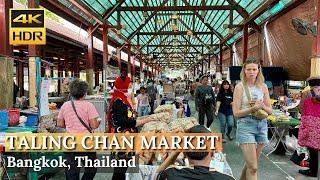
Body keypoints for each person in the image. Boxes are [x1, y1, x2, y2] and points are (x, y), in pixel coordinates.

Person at [107, 73, 157, 180]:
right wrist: (140, 122)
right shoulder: (118, 102)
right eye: (129, 84)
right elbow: (122, 121)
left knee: (123, 165)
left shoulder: (120, 98)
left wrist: (140, 119)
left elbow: (126, 117)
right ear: (124, 86)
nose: (131, 86)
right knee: (121, 166)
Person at [232, 57, 272, 180]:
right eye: (249, 69)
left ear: (258, 70)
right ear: (244, 70)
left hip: (262, 125)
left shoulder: (263, 86)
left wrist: (262, 106)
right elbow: (236, 113)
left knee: (251, 165)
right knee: (253, 167)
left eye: (254, 69)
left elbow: (270, 110)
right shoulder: (239, 87)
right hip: (245, 125)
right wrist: (252, 109)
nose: (251, 72)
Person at [57, 79, 101, 180]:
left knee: (72, 171)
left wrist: (70, 125)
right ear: (84, 93)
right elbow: (94, 125)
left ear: (71, 92)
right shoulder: (89, 106)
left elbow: (60, 123)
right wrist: (98, 122)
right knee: (91, 169)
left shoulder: (65, 105)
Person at [155, 125, 235, 180]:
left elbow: (156, 175)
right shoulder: (227, 178)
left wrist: (177, 151)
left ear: (185, 154)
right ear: (213, 153)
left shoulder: (170, 174)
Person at [298, 77, 320, 177]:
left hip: (312, 127)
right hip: (312, 126)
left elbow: (301, 109)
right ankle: (314, 170)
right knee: (313, 150)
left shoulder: (307, 94)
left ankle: (313, 171)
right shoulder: (308, 94)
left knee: (313, 150)